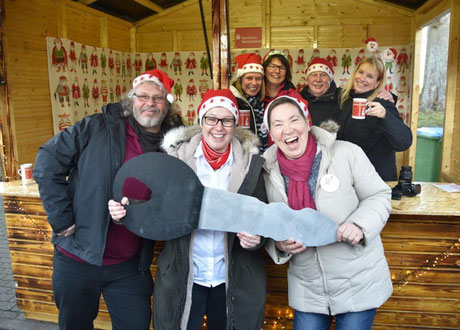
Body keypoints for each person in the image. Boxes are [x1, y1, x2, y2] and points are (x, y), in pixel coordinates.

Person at [33, 69, 182, 330]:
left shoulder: (175, 144)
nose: (150, 103)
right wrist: (60, 218)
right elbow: (47, 161)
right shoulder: (97, 127)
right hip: (77, 257)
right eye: (143, 96)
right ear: (131, 100)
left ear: (167, 104)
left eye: (158, 98)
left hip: (130, 266)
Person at [109, 89, 267, 329]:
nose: (218, 127)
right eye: (211, 119)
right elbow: (156, 208)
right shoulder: (176, 160)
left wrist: (258, 239)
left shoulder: (251, 166)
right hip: (184, 274)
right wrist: (126, 211)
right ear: (201, 121)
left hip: (233, 277)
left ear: (235, 124)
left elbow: (263, 217)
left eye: (226, 120)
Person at [262, 95, 393, 330]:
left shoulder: (346, 153)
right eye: (278, 124)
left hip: (357, 281)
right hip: (307, 287)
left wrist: (359, 225)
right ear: (271, 133)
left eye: (294, 120)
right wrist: (278, 245)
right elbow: (265, 223)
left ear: (307, 122)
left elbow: (379, 195)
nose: (287, 129)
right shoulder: (265, 171)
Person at [337, 56, 412, 181]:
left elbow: (403, 142)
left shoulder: (383, 104)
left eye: (370, 76)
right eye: (360, 72)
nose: (362, 78)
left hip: (376, 179)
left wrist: (385, 116)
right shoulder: (344, 99)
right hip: (350, 177)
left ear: (377, 83)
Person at [300, 57, 398, 126]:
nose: (318, 79)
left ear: (330, 79)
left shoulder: (343, 95)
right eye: (313, 74)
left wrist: (387, 94)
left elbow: (364, 92)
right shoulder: (298, 98)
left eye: (323, 75)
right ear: (307, 79)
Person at [230, 52, 268, 151]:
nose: (254, 83)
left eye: (258, 79)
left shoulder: (261, 104)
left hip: (261, 159)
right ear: (240, 80)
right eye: (249, 78)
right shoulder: (231, 102)